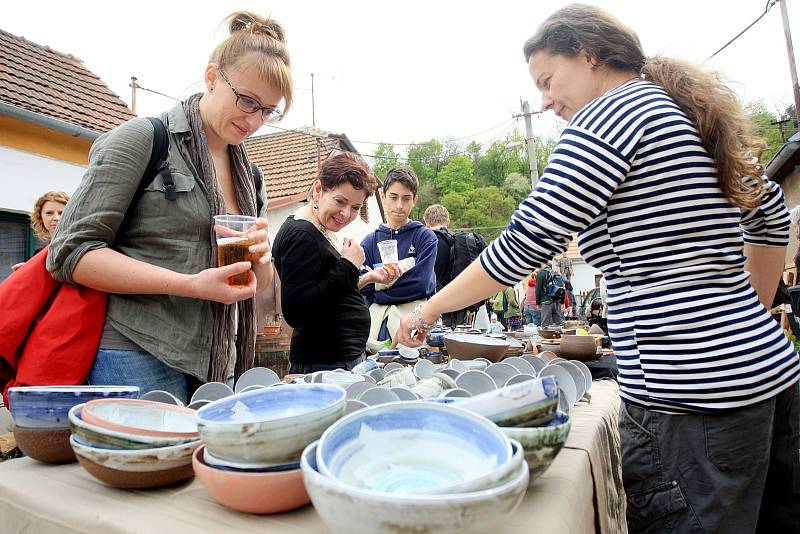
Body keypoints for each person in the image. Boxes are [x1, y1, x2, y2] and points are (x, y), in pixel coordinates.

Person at [395, 4, 799, 533]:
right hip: (765, 375)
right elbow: (771, 215)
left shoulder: (612, 113)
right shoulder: (680, 115)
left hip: (689, 399)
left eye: (547, 80)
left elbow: (526, 242)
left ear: (588, 56)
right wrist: (747, 312)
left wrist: (430, 309)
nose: (544, 101)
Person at [47, 12, 292, 403]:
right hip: (134, 349)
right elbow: (69, 253)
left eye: (267, 110)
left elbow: (258, 288)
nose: (254, 119)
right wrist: (190, 285)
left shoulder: (251, 176)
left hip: (217, 359)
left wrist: (261, 262)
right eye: (246, 100)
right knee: (155, 465)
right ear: (212, 77)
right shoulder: (144, 140)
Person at [272, 153, 398, 373]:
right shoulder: (302, 235)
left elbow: (328, 293)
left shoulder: (316, 228)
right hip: (325, 363)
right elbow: (296, 310)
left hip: (336, 359)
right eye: (340, 201)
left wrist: (365, 278)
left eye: (356, 208)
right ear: (318, 190)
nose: (346, 214)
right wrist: (348, 264)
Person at [361, 167, 437, 352]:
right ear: (382, 195)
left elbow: (420, 283)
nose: (399, 205)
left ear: (415, 199)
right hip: (374, 331)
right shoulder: (369, 243)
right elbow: (362, 288)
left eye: (406, 198)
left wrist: (379, 288)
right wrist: (374, 284)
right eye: (393, 197)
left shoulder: (425, 238)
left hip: (415, 326)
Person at [12, 191, 70, 272]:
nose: (56, 218)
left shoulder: (81, 246)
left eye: (61, 213)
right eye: (49, 213)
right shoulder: (39, 255)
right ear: (41, 218)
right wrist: (28, 271)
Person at [536, 263, 561, 327]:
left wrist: (538, 303)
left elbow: (538, 289)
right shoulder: (555, 273)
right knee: (557, 323)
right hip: (557, 300)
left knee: (545, 323)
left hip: (546, 300)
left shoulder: (541, 274)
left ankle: (546, 336)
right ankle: (558, 336)